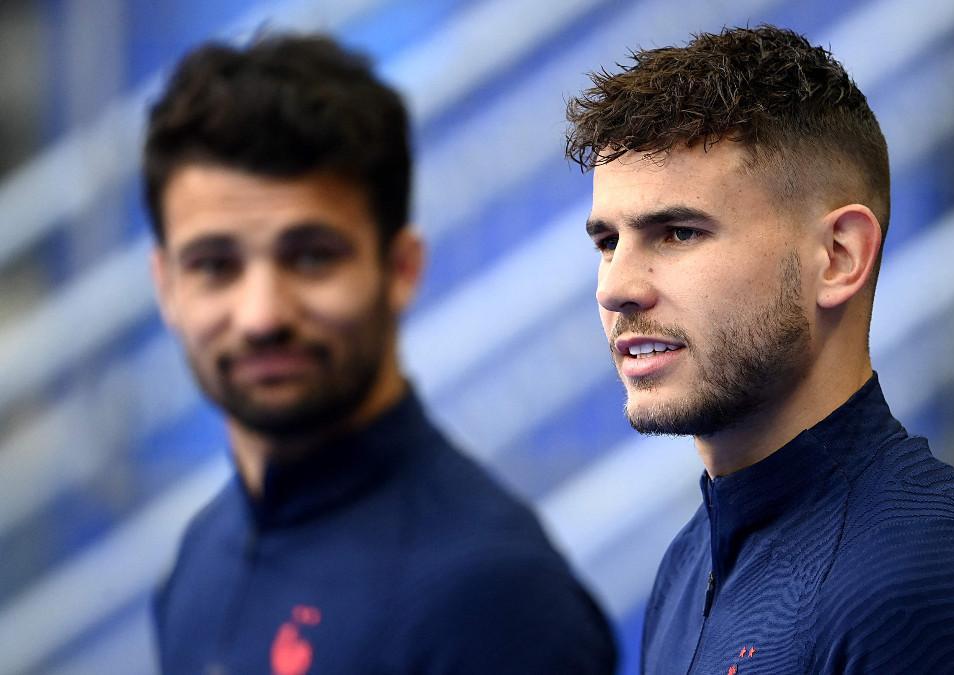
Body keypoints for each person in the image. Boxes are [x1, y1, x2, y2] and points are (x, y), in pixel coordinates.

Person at [566, 25, 954, 673]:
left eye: (677, 232)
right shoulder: (689, 560)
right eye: (606, 242)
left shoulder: (933, 591)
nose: (617, 287)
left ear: (839, 257)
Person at [145, 34, 615, 674]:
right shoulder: (203, 556)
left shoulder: (492, 596)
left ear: (400, 268)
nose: (261, 316)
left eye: (311, 256)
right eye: (214, 266)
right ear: (165, 286)